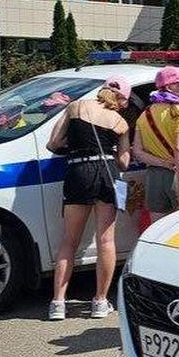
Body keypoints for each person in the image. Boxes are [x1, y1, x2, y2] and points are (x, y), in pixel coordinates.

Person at [46, 77, 131, 320]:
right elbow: (124, 162)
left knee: (69, 240)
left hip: (78, 172)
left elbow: (54, 143)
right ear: (121, 99)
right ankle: (100, 302)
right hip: (107, 174)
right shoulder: (120, 122)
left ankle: (58, 304)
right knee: (106, 240)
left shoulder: (77, 107)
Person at [133, 66, 179, 222]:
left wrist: (162, 162)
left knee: (158, 229)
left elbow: (137, 151)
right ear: (169, 87)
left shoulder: (145, 114)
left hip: (154, 177)